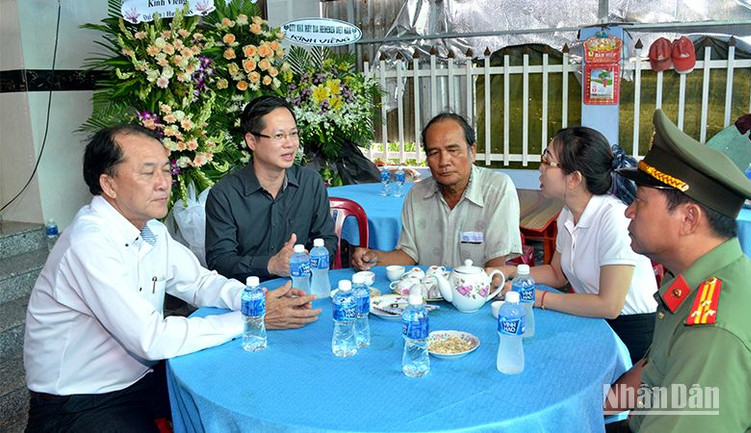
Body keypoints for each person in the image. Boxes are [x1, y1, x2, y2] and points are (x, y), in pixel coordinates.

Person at [23, 125, 321, 433]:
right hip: (82, 399)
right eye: (148, 173)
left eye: (166, 170)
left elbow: (199, 283)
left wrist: (251, 300)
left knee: (252, 387)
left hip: (144, 376)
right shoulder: (90, 244)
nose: (163, 183)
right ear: (108, 184)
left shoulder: (152, 230)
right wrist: (252, 319)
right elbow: (150, 338)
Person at [605, 110, 751, 432]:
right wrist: (593, 403)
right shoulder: (692, 276)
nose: (628, 210)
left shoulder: (717, 329)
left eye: (640, 201)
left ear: (689, 219)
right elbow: (655, 370)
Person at [490, 127, 658, 363]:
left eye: (547, 161)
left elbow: (609, 304)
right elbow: (557, 274)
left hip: (630, 332)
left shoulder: (613, 217)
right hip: (595, 322)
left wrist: (534, 297)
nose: (541, 168)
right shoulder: (568, 214)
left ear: (574, 178)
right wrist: (506, 273)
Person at [352, 112, 522, 270]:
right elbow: (408, 255)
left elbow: (496, 265)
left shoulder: (497, 189)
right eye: (434, 152)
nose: (444, 161)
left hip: (477, 296)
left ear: (472, 152)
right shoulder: (417, 194)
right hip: (427, 296)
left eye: (453, 150)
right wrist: (374, 257)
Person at [205, 95, 337, 282]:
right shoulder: (224, 195)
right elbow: (219, 261)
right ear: (252, 141)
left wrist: (310, 259)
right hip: (247, 297)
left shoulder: (311, 183)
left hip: (300, 287)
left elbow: (327, 239)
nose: (290, 143)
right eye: (279, 136)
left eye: (293, 133)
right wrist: (270, 265)